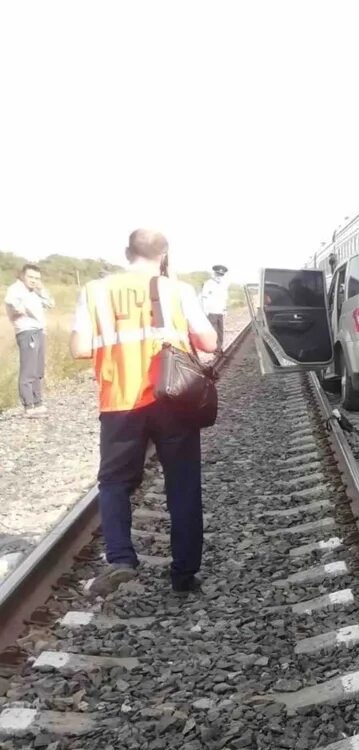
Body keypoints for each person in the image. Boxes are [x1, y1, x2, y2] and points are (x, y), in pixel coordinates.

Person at [71, 229, 218, 597]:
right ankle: (184, 575)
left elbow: (79, 348)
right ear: (164, 254)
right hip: (172, 400)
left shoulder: (95, 291)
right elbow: (210, 342)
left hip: (120, 401)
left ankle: (121, 558)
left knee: (115, 483)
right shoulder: (177, 290)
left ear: (127, 252)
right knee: (182, 486)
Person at [4, 263, 55, 416]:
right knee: (28, 370)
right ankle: (29, 405)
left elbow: (51, 304)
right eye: (31, 277)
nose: (33, 280)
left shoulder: (35, 291)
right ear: (22, 276)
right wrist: (23, 310)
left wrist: (41, 289)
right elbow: (12, 303)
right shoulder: (16, 289)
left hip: (39, 330)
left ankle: (38, 402)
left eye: (37, 278)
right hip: (27, 332)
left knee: (38, 369)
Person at [199, 264, 229, 353]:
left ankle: (219, 348)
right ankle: (214, 348)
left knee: (220, 331)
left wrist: (225, 309)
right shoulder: (208, 283)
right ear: (214, 273)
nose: (219, 276)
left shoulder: (223, 285)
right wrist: (205, 311)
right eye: (218, 274)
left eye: (221, 275)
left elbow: (224, 298)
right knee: (214, 331)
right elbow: (204, 297)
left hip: (220, 311)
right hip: (211, 311)